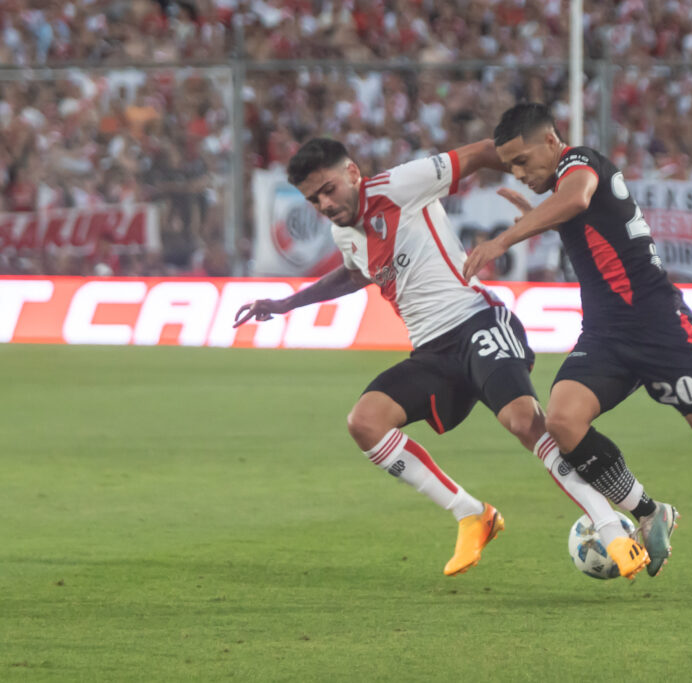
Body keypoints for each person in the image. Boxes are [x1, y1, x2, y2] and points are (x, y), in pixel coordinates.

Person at [234, 137, 654, 579]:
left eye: (328, 189)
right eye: (312, 198)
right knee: (365, 422)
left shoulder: (400, 185)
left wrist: (549, 180)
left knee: (524, 422)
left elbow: (485, 150)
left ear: (352, 172)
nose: (323, 203)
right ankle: (472, 514)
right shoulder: (345, 232)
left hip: (478, 321)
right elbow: (354, 273)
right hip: (433, 351)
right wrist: (286, 304)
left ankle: (610, 528)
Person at [464, 103, 692, 564]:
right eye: (509, 166)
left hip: (661, 329)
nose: (517, 172)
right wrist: (534, 213)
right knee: (563, 422)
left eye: (522, 161)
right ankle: (649, 512)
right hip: (606, 335)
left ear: (551, 142)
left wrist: (501, 241)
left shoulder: (581, 163)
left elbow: (574, 200)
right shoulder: (561, 184)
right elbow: (576, 215)